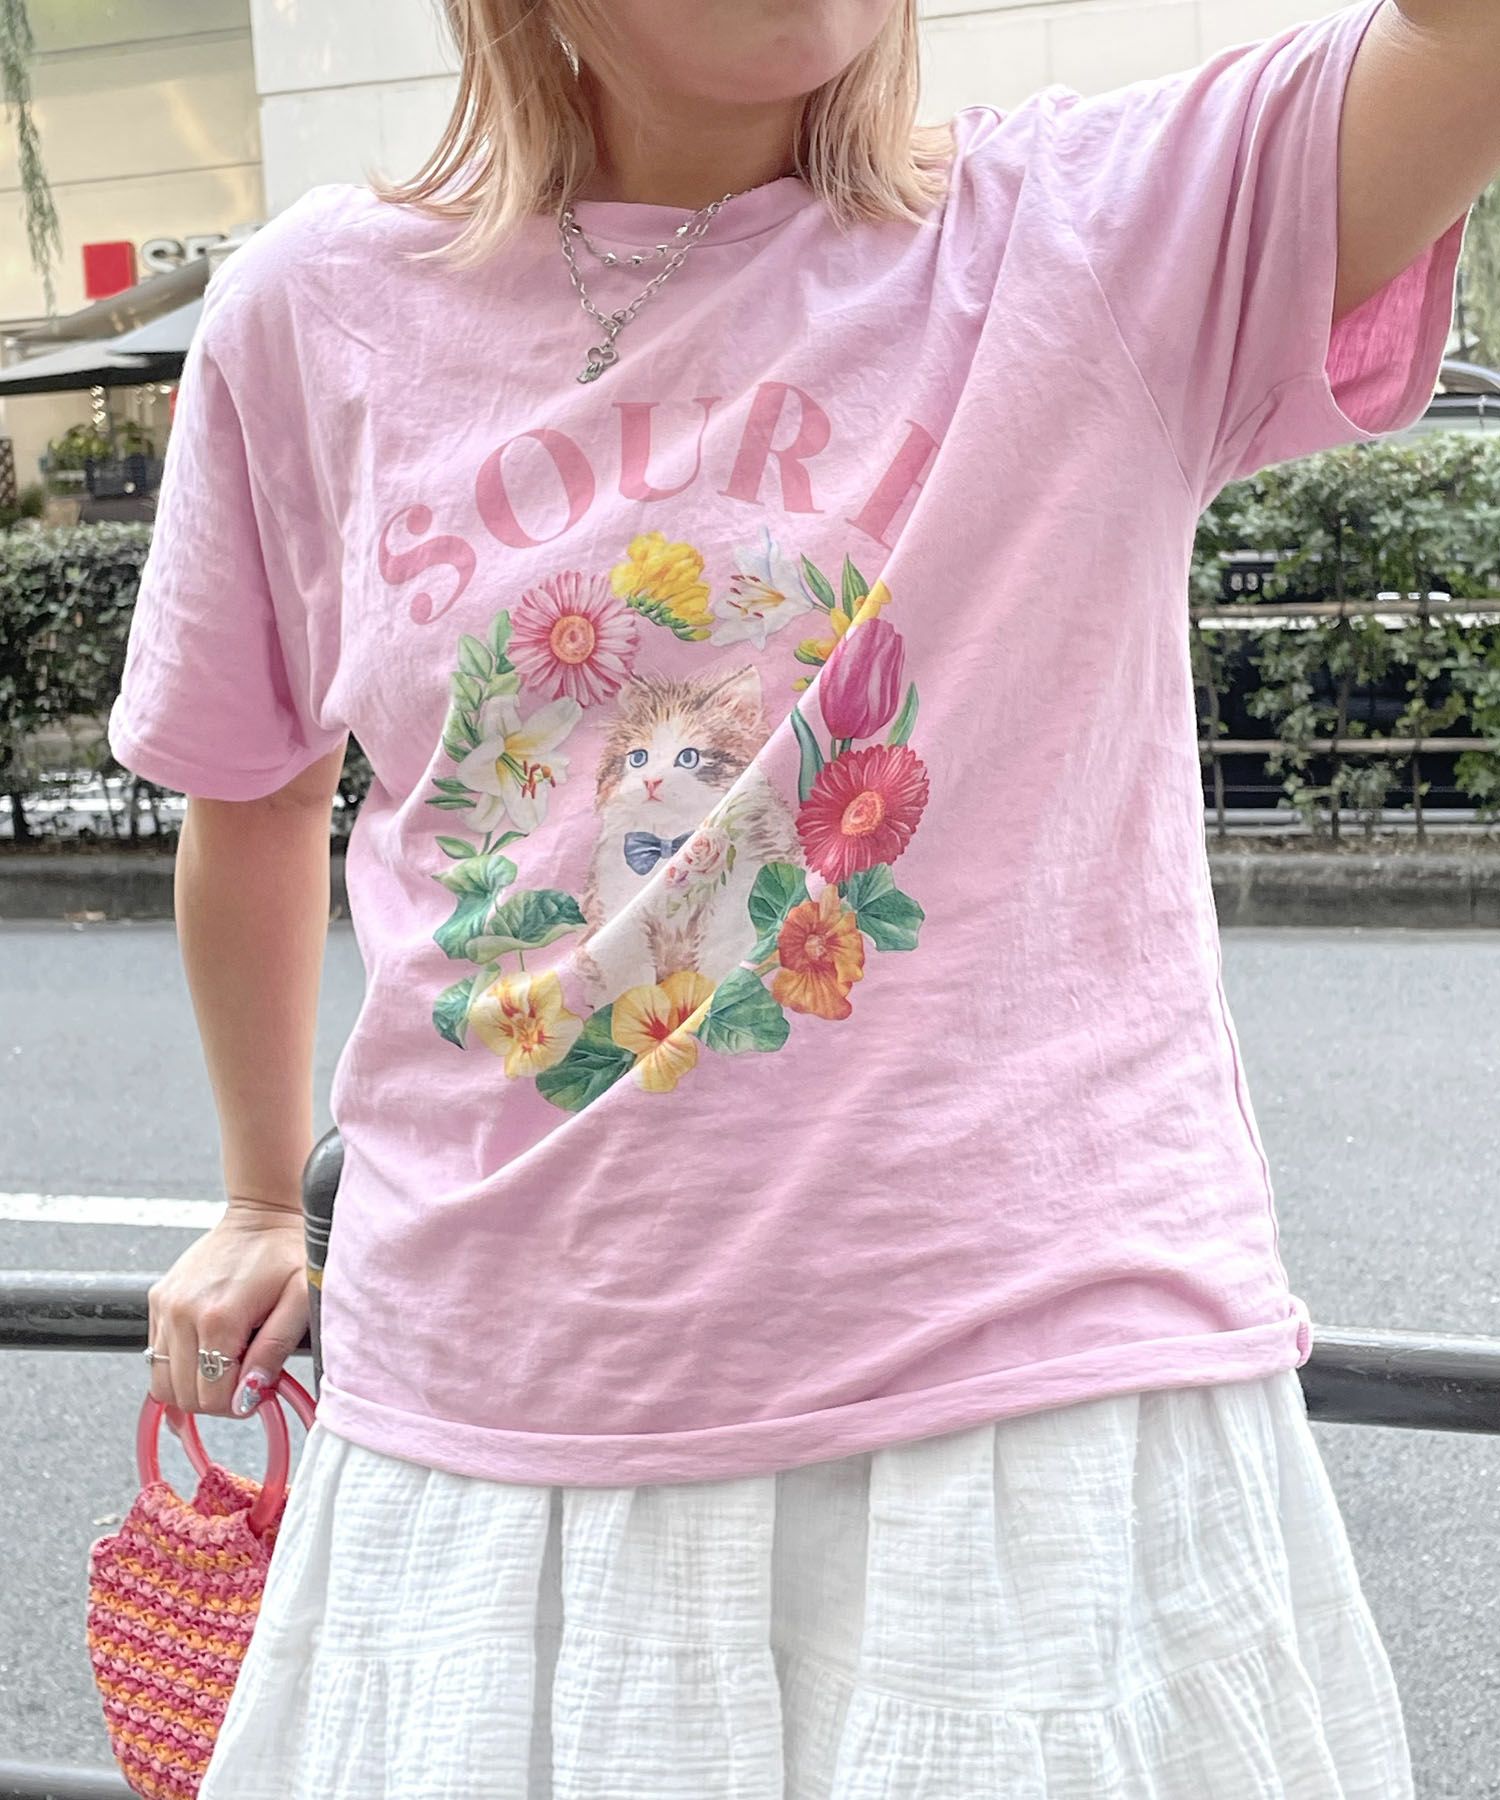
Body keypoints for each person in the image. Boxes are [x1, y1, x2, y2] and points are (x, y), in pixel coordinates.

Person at [106, 0, 1494, 1792]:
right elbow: (251, 782)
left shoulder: (1108, 225)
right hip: (497, 1411)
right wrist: (251, 1195)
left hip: (1024, 1421)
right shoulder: (313, 313)